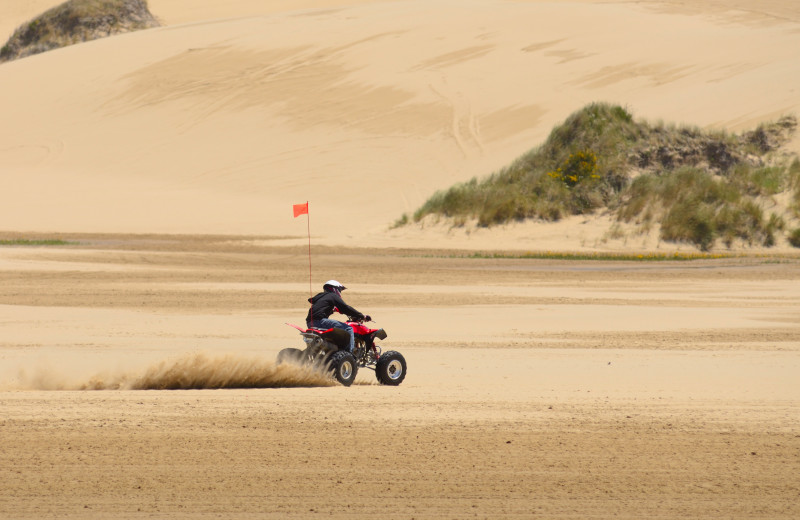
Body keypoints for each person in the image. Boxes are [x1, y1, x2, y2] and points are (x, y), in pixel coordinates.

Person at [306, 280, 370, 354]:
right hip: (320, 321)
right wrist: (362, 316)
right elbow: (345, 308)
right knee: (348, 329)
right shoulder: (332, 296)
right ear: (335, 289)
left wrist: (332, 310)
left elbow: (319, 310)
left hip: (310, 323)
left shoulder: (321, 297)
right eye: (340, 290)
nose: (340, 292)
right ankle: (350, 355)